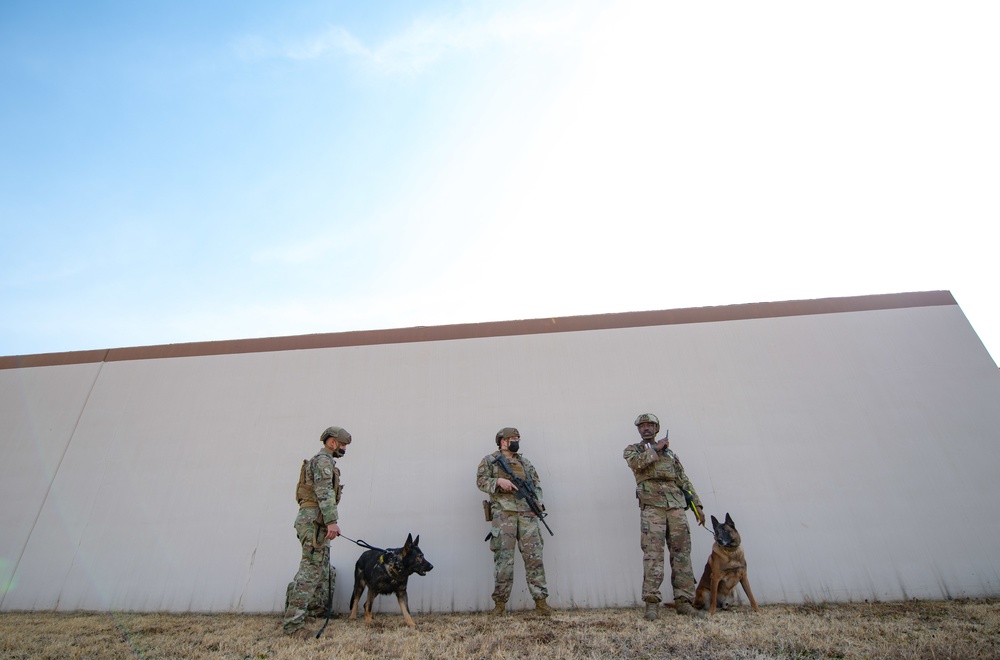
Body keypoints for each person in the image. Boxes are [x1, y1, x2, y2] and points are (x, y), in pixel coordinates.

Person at [623, 413, 707, 620]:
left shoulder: (671, 456)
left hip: (676, 507)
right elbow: (637, 465)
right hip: (653, 508)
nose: (646, 428)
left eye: (650, 425)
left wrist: (697, 505)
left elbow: (683, 479)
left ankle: (684, 601)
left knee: (681, 555)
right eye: (642, 426)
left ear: (657, 428)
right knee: (653, 555)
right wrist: (657, 448)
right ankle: (652, 603)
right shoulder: (633, 450)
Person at [282, 425, 351, 638]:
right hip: (315, 521)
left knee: (317, 567)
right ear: (332, 443)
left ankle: (307, 612)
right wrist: (331, 521)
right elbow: (324, 492)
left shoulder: (322, 461)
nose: (344, 450)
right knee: (310, 569)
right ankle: (293, 625)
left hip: (314, 521)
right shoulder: (323, 462)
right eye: (342, 445)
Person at [477, 427, 553, 617]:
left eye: (518, 438)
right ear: (503, 441)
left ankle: (541, 602)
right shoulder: (489, 460)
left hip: (527, 515)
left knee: (534, 559)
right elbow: (480, 481)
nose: (516, 441)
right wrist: (498, 482)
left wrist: (538, 506)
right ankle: (500, 605)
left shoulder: (525, 463)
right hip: (504, 516)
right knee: (504, 561)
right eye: (513, 438)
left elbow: (536, 485)